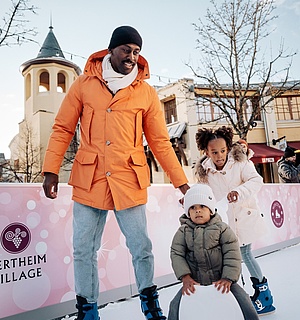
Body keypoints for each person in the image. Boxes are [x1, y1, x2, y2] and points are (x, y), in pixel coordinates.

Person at [42, 25, 190, 320]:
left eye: (136, 52)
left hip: (129, 177)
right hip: (90, 177)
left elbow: (160, 141)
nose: (131, 57)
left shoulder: (146, 93)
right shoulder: (84, 84)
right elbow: (62, 128)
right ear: (111, 49)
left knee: (141, 247)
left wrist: (182, 183)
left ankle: (150, 304)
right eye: (126, 50)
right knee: (84, 248)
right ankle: (87, 309)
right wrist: (51, 170)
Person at [194, 126, 276, 315]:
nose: (219, 156)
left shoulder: (240, 162)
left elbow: (256, 180)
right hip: (226, 223)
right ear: (206, 152)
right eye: (214, 152)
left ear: (228, 148)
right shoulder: (205, 171)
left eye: (223, 151)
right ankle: (239, 297)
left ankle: (264, 295)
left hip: (245, 217)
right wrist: (191, 199)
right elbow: (204, 194)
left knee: (244, 254)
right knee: (230, 258)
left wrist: (238, 192)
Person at [168, 184, 258, 320]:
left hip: (221, 279)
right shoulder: (183, 231)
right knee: (175, 305)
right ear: (188, 212)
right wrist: (185, 277)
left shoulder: (222, 229)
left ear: (210, 209)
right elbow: (176, 253)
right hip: (195, 281)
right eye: (193, 208)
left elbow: (232, 253)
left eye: (202, 206)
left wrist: (228, 278)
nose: (197, 211)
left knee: (243, 300)